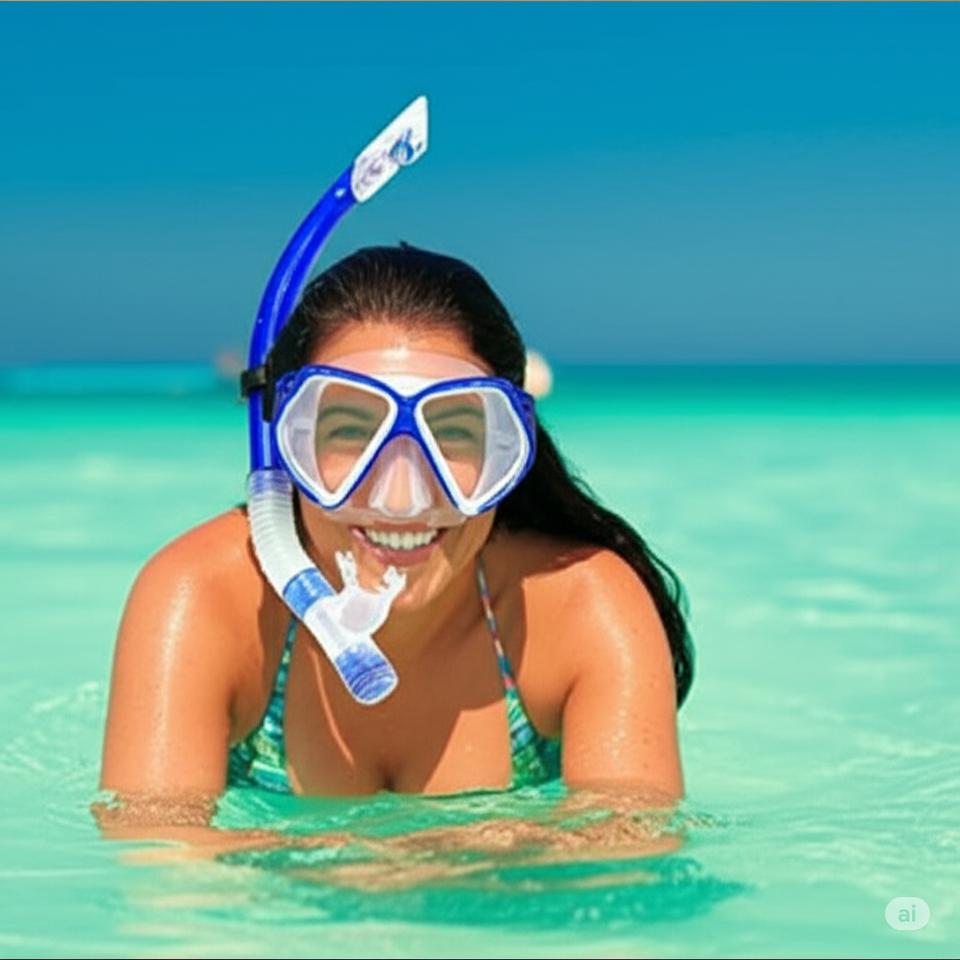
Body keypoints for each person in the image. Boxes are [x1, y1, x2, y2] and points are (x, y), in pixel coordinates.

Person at [99, 244, 694, 807]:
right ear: (287, 445)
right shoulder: (202, 600)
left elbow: (629, 862)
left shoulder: (583, 609)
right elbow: (158, 863)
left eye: (452, 432)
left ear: (507, 448)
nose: (403, 499)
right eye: (351, 430)